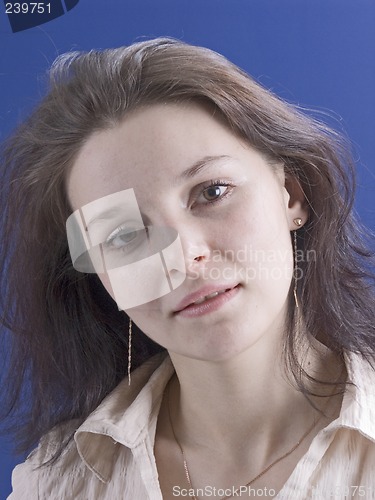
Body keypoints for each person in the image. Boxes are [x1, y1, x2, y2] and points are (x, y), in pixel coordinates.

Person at [1, 37, 374, 500]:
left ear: (291, 194)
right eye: (122, 235)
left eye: (212, 192)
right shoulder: (54, 486)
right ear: (99, 272)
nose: (181, 257)